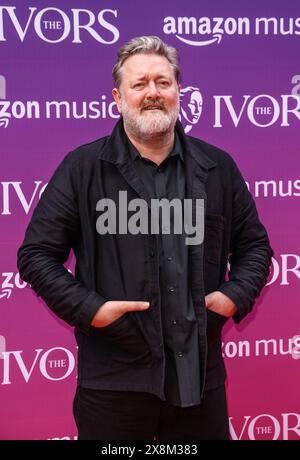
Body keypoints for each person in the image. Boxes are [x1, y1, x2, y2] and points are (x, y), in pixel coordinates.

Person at [17, 35, 273, 441]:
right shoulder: (83, 168)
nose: (152, 92)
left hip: (199, 381)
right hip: (114, 381)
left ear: (178, 91)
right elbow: (36, 255)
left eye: (163, 82)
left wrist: (233, 296)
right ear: (119, 98)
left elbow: (255, 246)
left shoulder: (217, 167)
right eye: (139, 84)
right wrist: (90, 309)